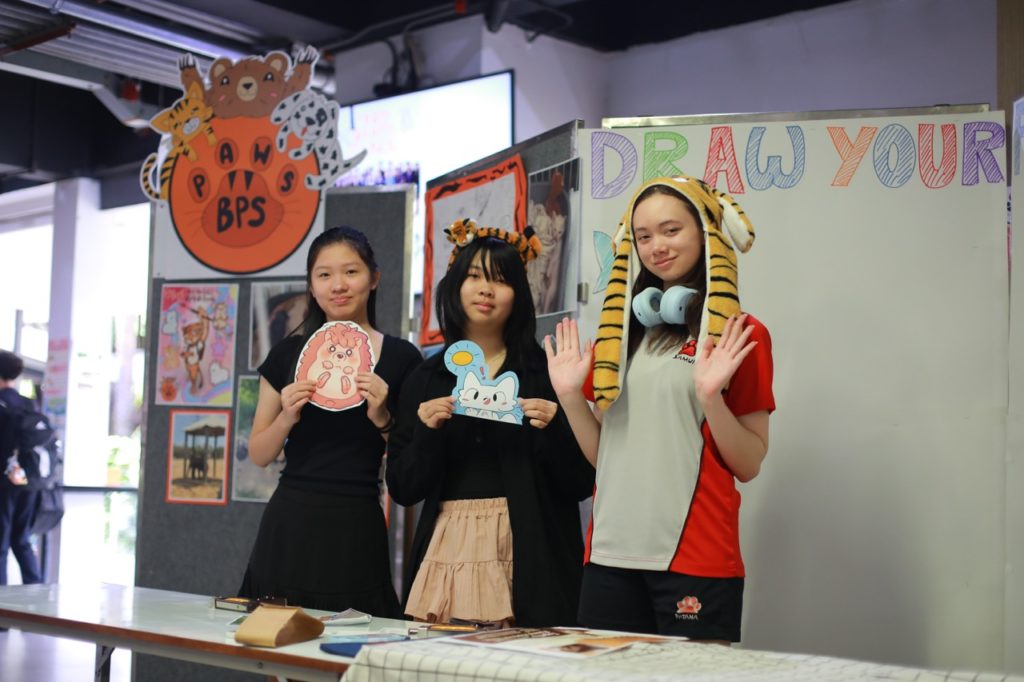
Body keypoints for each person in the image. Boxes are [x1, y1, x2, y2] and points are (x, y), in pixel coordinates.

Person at [546, 175, 775, 643]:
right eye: (644, 236)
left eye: (671, 230)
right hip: (609, 554)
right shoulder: (620, 336)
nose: (657, 247)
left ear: (705, 231)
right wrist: (570, 397)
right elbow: (606, 457)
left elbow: (749, 463)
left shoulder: (739, 333)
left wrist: (711, 399)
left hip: (697, 558)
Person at [386, 220, 594, 627]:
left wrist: (554, 427)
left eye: (501, 280)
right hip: (448, 545)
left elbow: (582, 483)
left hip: (534, 549)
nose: (486, 289)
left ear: (519, 295)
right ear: (454, 286)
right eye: (475, 276)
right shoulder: (426, 378)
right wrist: (427, 433)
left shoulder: (547, 372)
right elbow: (403, 489)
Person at [238, 226, 422, 616]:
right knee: (274, 640)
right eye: (324, 275)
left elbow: (411, 463)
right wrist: (287, 417)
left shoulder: (402, 358)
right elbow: (258, 453)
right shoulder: (288, 354)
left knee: (355, 644)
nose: (338, 285)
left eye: (351, 272)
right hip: (289, 523)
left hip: (357, 525)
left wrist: (382, 417)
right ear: (311, 285)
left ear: (374, 278)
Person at [0, 350, 44, 586]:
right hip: (29, 479)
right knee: (22, 540)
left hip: (4, 481)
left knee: (1, 543)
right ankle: (37, 598)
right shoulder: (28, 403)